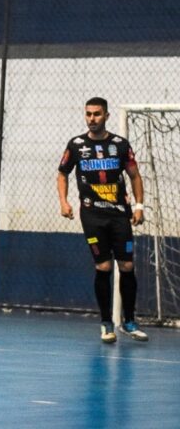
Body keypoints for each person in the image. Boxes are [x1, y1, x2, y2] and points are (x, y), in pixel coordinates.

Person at [57, 97, 148, 343]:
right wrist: (64, 202)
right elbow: (62, 174)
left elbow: (135, 176)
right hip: (93, 216)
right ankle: (106, 323)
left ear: (106, 116)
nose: (92, 119)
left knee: (127, 266)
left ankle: (129, 322)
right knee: (104, 267)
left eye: (97, 114)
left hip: (120, 215)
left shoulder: (120, 145)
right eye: (88, 114)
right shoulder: (76, 145)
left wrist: (138, 206)